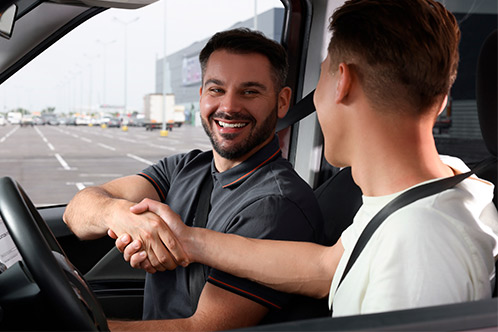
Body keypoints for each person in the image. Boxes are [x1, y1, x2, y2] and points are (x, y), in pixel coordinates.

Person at [117, 0, 498, 318]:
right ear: (441, 99)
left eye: (319, 76)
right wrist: (188, 241)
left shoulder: (420, 244)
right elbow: (325, 268)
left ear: (341, 81)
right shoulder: (437, 186)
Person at [63, 28, 328, 330]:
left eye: (250, 91)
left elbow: (200, 328)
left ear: (282, 102)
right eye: (216, 90)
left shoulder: (277, 205)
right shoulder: (185, 167)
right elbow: (77, 214)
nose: (228, 107)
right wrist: (123, 217)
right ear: (201, 95)